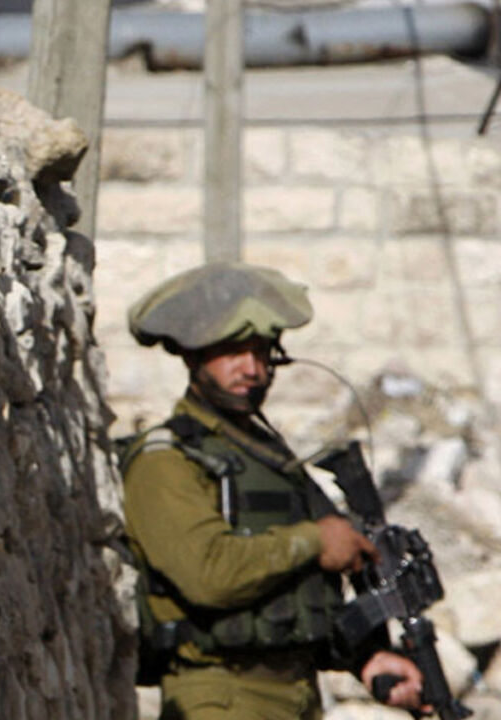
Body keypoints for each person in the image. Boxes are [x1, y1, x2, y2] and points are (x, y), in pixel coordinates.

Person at [122, 262, 429, 719]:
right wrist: (316, 541)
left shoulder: (265, 455)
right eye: (231, 351)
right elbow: (208, 574)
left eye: (261, 352)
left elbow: (299, 597)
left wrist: (368, 657)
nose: (251, 368)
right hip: (219, 696)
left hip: (297, 693)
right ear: (192, 356)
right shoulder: (167, 458)